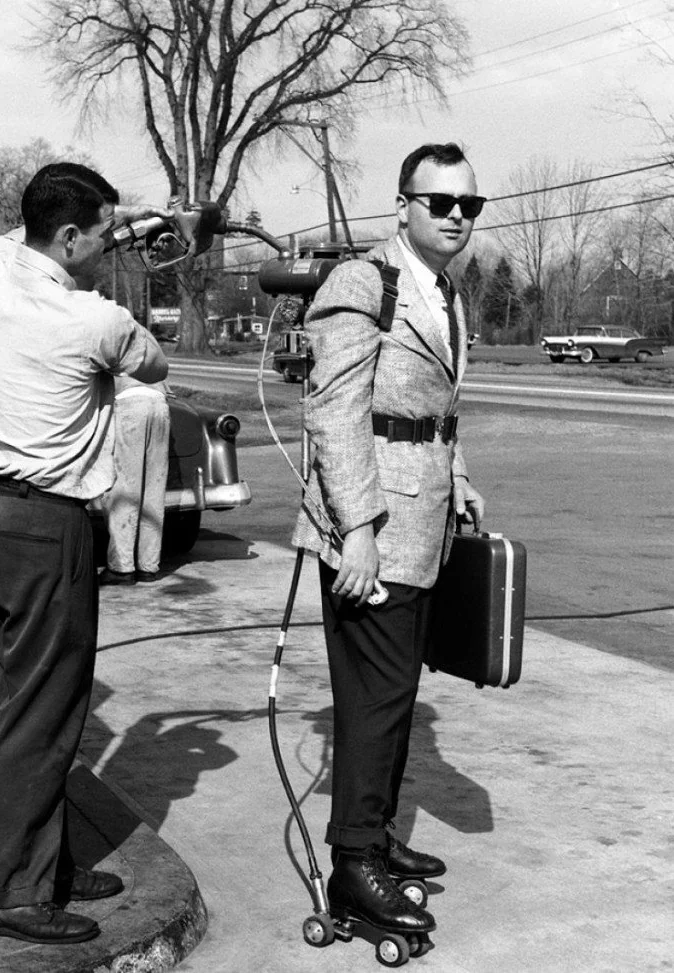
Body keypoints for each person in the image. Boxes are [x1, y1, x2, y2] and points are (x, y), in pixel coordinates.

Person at [0, 162, 170, 944]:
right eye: (103, 232)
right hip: (49, 529)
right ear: (71, 236)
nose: (111, 243)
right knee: (44, 716)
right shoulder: (96, 321)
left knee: (21, 698)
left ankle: (40, 863)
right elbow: (152, 364)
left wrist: (134, 222)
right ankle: (12, 892)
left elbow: (21, 239)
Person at [291, 142, 486, 939]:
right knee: (372, 703)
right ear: (402, 203)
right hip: (374, 525)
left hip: (423, 522)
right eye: (439, 202)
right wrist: (359, 531)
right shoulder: (362, 281)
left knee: (398, 695)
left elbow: (433, 406)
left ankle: (376, 838)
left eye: (468, 206)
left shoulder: (442, 290)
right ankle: (351, 867)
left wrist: (461, 474)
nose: (455, 218)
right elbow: (335, 410)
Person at [98, 373, 171, 585]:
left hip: (128, 401)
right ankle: (148, 566)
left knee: (125, 488)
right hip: (159, 402)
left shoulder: (116, 340)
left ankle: (122, 567)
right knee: (154, 488)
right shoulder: (148, 341)